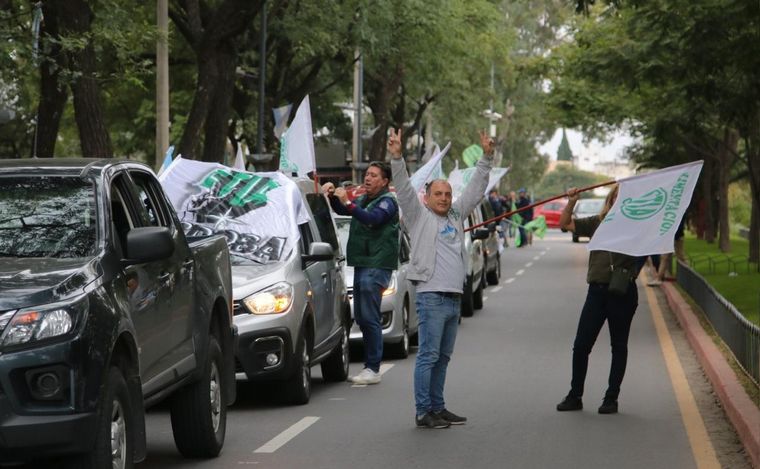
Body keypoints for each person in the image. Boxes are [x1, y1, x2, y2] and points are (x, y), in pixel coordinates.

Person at [390, 127, 494, 429]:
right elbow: (404, 188)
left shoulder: (455, 215)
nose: (445, 198)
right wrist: (397, 158)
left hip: (453, 298)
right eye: (439, 193)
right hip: (431, 297)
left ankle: (438, 406)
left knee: (443, 358)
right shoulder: (418, 216)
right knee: (428, 356)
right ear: (427, 196)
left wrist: (487, 157)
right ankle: (424, 412)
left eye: (448, 194)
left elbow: (475, 189)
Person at [556, 184, 638, 414]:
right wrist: (571, 201)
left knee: (619, 346)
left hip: (623, 293)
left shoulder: (637, 228)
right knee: (581, 345)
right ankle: (575, 395)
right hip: (597, 292)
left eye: (625, 200)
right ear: (609, 201)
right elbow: (565, 224)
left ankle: (611, 398)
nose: (619, 204)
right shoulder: (596, 223)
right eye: (615, 199)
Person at [322, 162, 400, 385]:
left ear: (385, 182)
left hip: (376, 264)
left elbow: (372, 220)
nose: (368, 178)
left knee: (370, 317)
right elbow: (343, 210)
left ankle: (373, 368)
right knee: (364, 318)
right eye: (367, 174)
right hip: (363, 263)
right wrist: (333, 197)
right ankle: (370, 366)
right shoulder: (365, 199)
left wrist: (346, 201)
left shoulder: (387, 202)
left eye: (374, 176)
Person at [648, 216, 686, 286]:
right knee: (670, 257)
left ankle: (659, 278)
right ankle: (659, 278)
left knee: (667, 257)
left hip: (674, 237)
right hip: (674, 236)